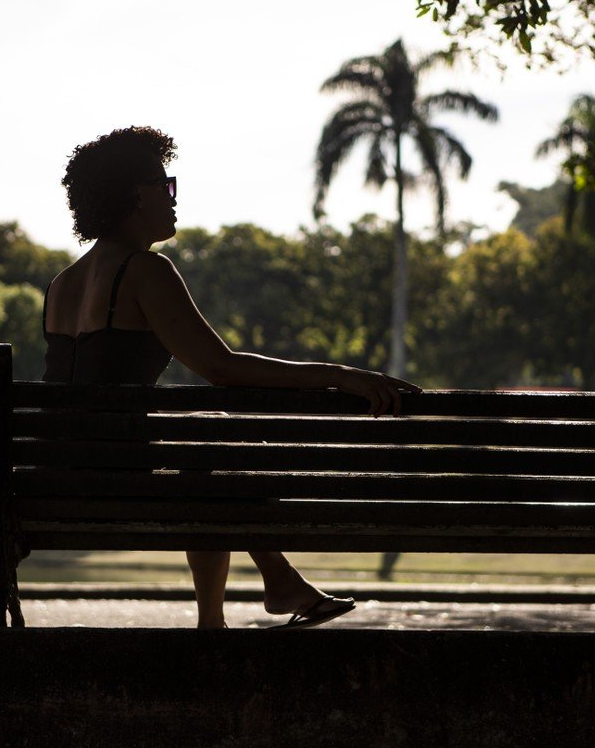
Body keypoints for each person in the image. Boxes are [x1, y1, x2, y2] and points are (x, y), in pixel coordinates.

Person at [43, 126, 421, 629]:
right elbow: (221, 366)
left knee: (207, 446)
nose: (175, 198)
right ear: (138, 194)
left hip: (52, 474)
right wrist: (339, 376)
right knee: (210, 452)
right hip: (112, 477)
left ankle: (262, 594)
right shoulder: (144, 271)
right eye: (167, 185)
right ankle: (233, 610)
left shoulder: (61, 284)